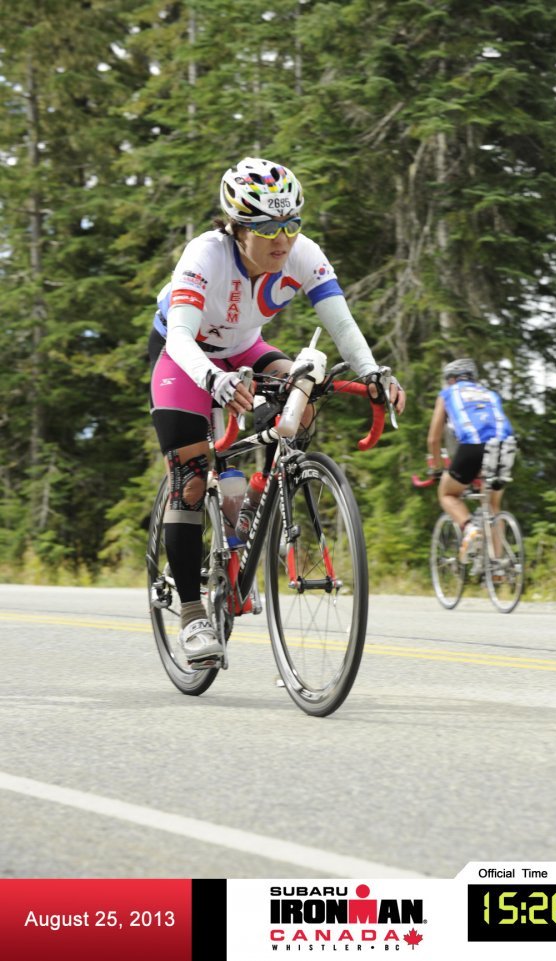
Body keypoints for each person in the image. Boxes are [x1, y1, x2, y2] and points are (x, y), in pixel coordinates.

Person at [149, 156, 405, 665]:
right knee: (192, 477)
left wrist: (374, 372)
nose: (282, 239)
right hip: (184, 358)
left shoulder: (303, 255)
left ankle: (254, 503)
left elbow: (340, 321)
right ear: (239, 227)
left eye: (291, 224)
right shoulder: (205, 255)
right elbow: (180, 335)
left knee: (305, 395)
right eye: (268, 228)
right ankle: (194, 614)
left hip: (246, 350)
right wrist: (213, 381)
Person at [427, 358, 514, 563]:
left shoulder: (448, 393)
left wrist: (438, 468)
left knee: (447, 493)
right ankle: (498, 566)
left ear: (452, 380)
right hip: (505, 446)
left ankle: (469, 528)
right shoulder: (489, 394)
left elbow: (433, 439)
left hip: (473, 447)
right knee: (493, 505)